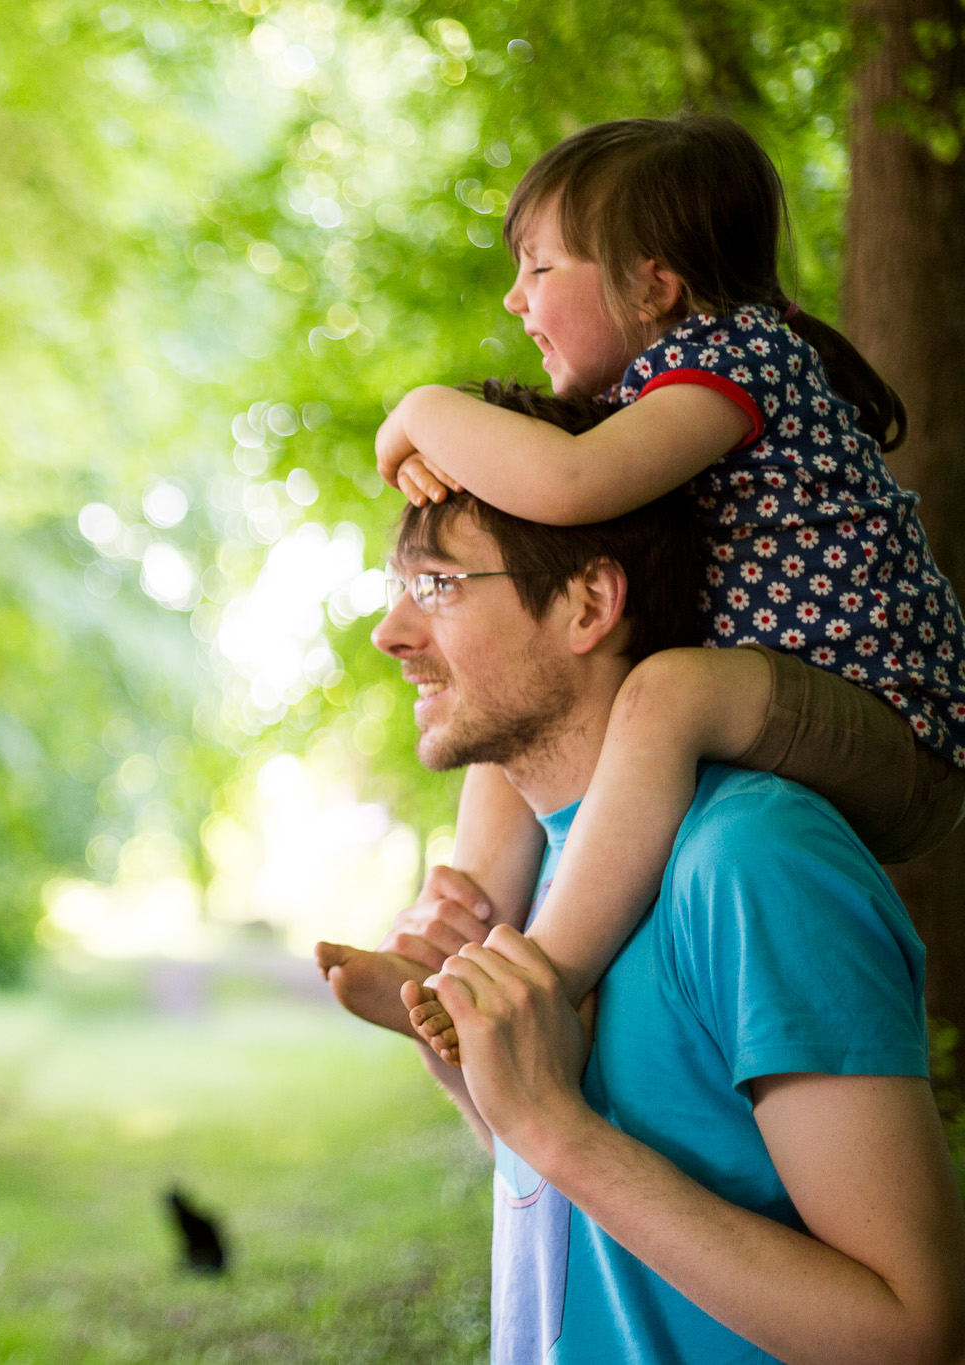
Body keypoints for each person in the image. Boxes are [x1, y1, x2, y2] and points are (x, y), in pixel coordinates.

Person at [316, 115, 965, 1064]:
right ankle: (460, 941)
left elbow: (568, 482)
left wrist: (420, 410)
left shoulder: (738, 360)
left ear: (655, 283)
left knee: (670, 690)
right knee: (518, 695)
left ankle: (543, 979)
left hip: (896, 727)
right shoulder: (664, 394)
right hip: (792, 697)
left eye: (540, 269)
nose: (513, 298)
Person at [355, 481, 965, 1362]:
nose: (392, 633)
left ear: (588, 602)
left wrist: (556, 1128)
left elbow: (913, 1329)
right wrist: (465, 1053)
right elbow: (571, 1206)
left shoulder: (752, 857)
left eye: (439, 585)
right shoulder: (543, 881)